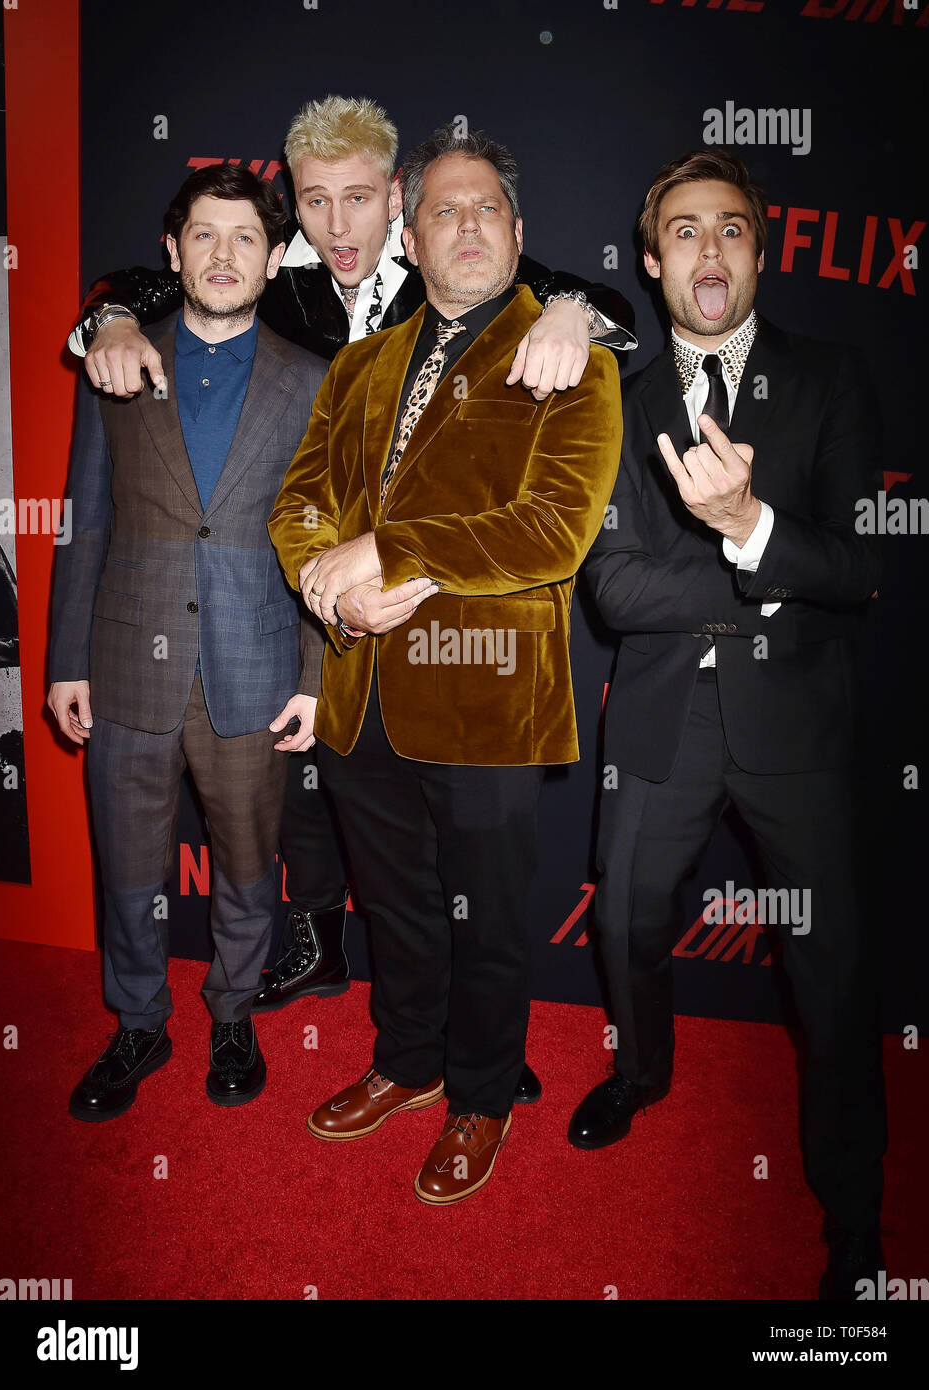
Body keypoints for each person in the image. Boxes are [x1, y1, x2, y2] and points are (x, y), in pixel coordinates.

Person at [66, 95, 636, 1103]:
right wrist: (106, 313)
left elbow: (561, 486)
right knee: (377, 884)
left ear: (396, 216)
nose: (336, 224)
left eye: (358, 199)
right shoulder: (284, 299)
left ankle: (481, 1073)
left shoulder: (516, 305)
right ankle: (389, 1035)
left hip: (478, 668)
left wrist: (573, 309)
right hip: (339, 655)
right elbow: (162, 287)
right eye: (315, 202)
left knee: (480, 901)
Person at [268, 126, 622, 1204]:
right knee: (398, 901)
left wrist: (390, 549)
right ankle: (408, 1058)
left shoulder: (575, 359)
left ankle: (477, 1093)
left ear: (518, 235)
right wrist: (323, 578)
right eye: (442, 213)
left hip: (488, 697)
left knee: (486, 911)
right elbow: (299, 504)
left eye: (486, 211)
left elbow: (550, 532)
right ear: (409, 241)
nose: (465, 227)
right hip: (359, 685)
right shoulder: (362, 365)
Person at [570, 149, 887, 1299]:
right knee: (623, 930)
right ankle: (640, 1073)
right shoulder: (613, 400)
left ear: (759, 251)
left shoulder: (831, 380)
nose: (709, 250)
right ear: (652, 264)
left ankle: (852, 1209)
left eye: (732, 230)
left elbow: (857, 568)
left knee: (836, 975)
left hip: (796, 727)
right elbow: (613, 589)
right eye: (685, 233)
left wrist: (748, 523)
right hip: (659, 724)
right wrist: (760, 564)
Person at [48, 164, 333, 1119]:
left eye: (246, 237)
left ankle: (234, 1013)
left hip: (254, 673)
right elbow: (85, 519)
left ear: (277, 254)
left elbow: (322, 538)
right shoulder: (118, 359)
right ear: (172, 254)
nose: (224, 254)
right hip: (127, 661)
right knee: (127, 866)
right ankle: (136, 1025)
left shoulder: (312, 380)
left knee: (250, 865)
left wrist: (313, 670)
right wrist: (65, 663)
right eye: (204, 236)